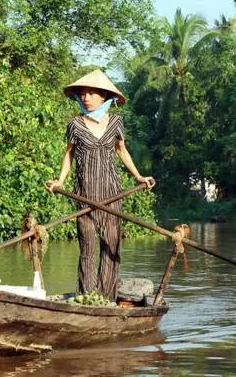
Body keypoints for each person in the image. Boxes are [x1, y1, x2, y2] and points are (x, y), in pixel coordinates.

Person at [45, 69, 155, 301]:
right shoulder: (75, 124)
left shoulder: (116, 122)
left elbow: (121, 151)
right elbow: (69, 155)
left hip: (111, 193)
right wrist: (60, 181)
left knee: (111, 245)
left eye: (91, 93)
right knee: (87, 248)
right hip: (84, 194)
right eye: (83, 94)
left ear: (103, 97)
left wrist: (138, 177)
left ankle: (105, 297)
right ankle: (87, 296)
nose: (86, 97)